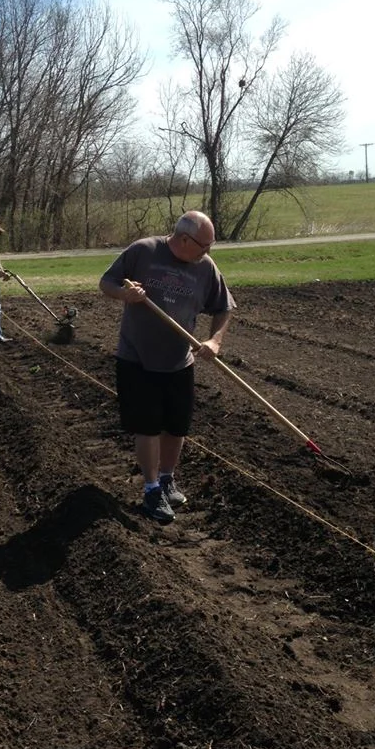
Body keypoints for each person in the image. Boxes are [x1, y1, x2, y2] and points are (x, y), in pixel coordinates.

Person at [99, 211, 235, 523]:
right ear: (184, 239)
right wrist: (124, 294)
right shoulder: (144, 251)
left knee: (176, 426)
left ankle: (166, 479)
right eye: (204, 245)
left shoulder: (205, 267)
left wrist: (214, 341)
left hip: (179, 361)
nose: (208, 251)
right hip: (137, 358)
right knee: (147, 426)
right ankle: (151, 490)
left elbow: (224, 307)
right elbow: (106, 282)